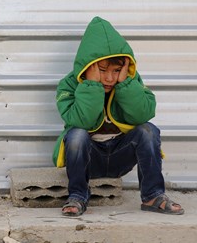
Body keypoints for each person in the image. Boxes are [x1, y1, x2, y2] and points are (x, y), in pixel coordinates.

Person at [52, 16, 183, 217]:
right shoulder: (69, 85)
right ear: (88, 66)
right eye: (102, 70)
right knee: (76, 134)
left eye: (116, 70)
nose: (109, 78)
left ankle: (152, 196)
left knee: (148, 130)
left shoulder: (130, 81)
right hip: (89, 158)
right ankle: (77, 196)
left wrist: (125, 85)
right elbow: (81, 121)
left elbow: (143, 113)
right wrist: (91, 86)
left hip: (120, 156)